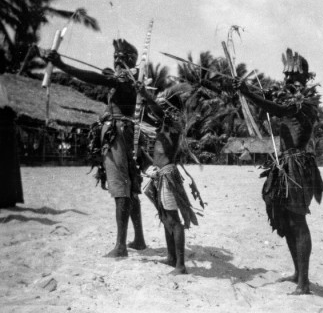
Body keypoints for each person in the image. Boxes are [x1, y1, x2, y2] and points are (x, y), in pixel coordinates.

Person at [232, 48, 323, 295]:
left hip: (297, 165)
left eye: (294, 78)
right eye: (286, 77)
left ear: (305, 80)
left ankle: (304, 283)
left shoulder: (303, 103)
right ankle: (298, 274)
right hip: (284, 164)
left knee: (298, 221)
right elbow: (272, 109)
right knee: (288, 222)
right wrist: (249, 94)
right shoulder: (288, 100)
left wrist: (248, 92)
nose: (288, 81)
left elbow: (280, 110)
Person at [43, 39, 147, 257]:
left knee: (121, 188)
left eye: (120, 57)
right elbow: (103, 77)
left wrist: (61, 65)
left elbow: (92, 78)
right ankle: (138, 239)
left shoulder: (123, 79)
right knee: (130, 187)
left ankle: (120, 246)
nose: (116, 60)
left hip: (119, 133)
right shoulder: (129, 79)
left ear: (130, 60)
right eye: (115, 56)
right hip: (126, 132)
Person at [135, 82, 201, 275]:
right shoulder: (164, 124)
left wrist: (145, 94)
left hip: (167, 175)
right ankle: (172, 258)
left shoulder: (172, 122)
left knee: (174, 220)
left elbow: (156, 110)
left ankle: (180, 265)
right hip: (160, 174)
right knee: (165, 218)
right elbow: (150, 113)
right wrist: (141, 99)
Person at [0, 74, 24, 208]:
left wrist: (10, 106)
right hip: (2, 121)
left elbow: (8, 102)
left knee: (6, 162)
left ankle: (6, 198)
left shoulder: (2, 83)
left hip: (5, 123)